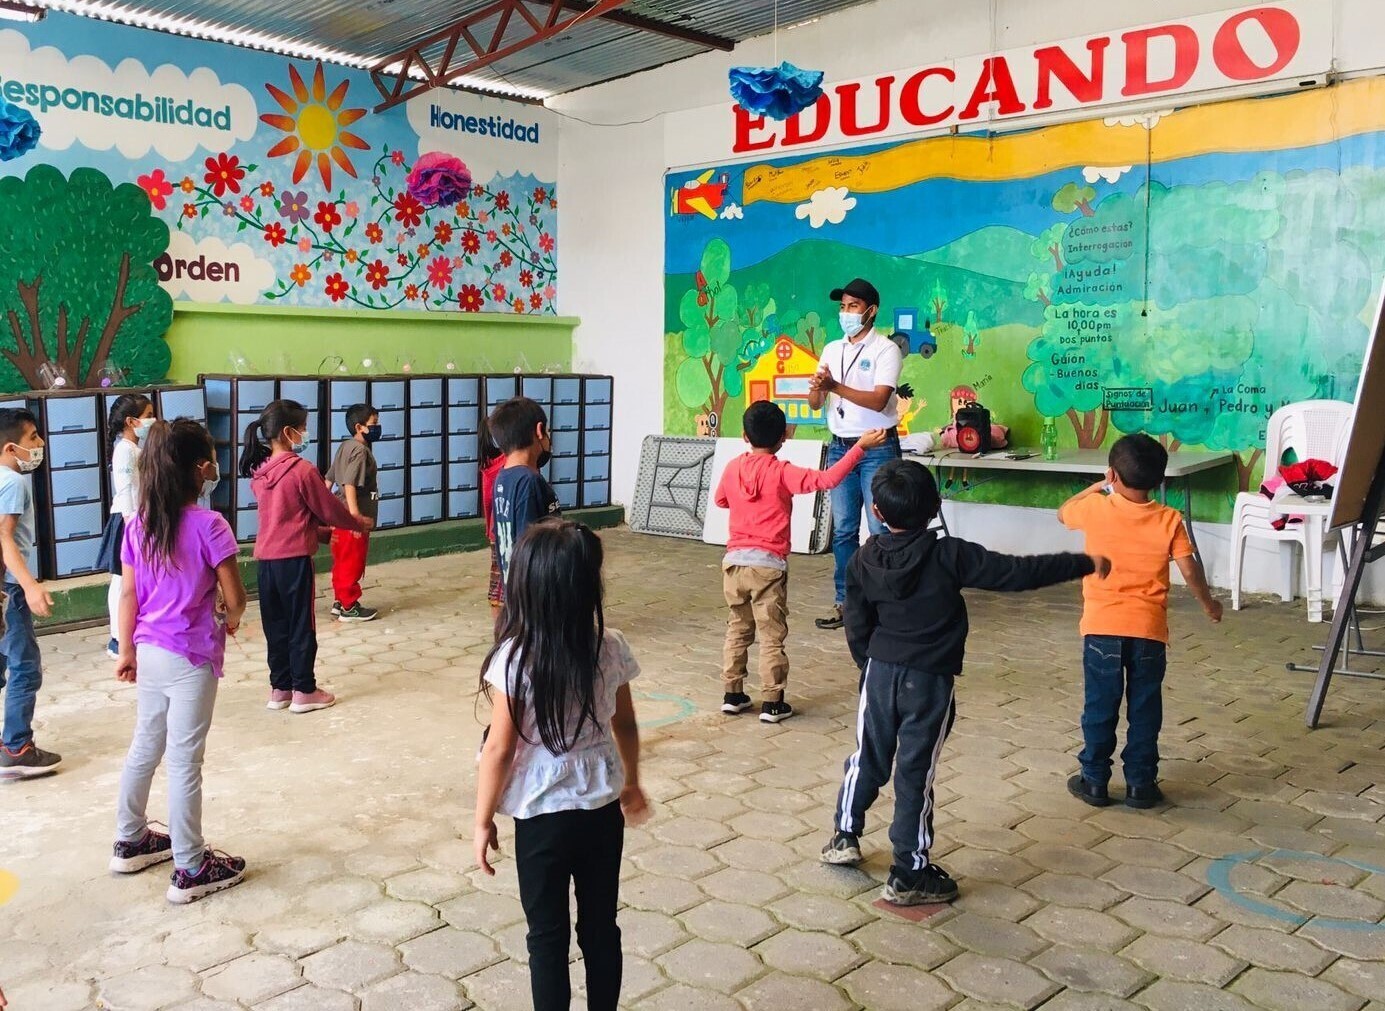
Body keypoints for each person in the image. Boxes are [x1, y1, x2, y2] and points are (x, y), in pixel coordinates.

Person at [821, 459, 1108, 905]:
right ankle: (909, 872)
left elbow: (856, 621)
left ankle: (844, 836)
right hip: (929, 681)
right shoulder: (950, 556)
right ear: (936, 506)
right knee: (915, 773)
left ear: (875, 510)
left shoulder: (863, 558)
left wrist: (869, 665)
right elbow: (1017, 573)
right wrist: (1082, 562)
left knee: (867, 755)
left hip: (878, 672)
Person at [474, 519, 647, 1011]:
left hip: (540, 820)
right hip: (600, 812)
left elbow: (499, 749)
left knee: (546, 939)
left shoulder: (515, 657)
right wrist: (632, 781)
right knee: (600, 928)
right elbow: (627, 725)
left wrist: (482, 820)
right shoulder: (609, 644)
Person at [111, 419, 249, 904]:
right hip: (192, 656)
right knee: (186, 761)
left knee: (146, 745)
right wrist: (228, 620)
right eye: (209, 457)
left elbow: (128, 592)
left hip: (148, 651)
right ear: (197, 468)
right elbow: (235, 599)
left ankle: (130, 839)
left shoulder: (138, 523)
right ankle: (190, 866)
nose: (214, 465)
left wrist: (126, 649)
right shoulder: (211, 525)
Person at [1059, 434, 1222, 809]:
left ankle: (1095, 781)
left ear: (1113, 474)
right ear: (1159, 481)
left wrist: (1100, 486)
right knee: (1145, 708)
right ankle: (1141, 785)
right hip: (1148, 631)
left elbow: (1064, 511)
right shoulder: (1169, 519)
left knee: (1100, 706)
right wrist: (1209, 605)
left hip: (1101, 629)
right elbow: (1189, 568)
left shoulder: (1095, 509)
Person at [714, 401, 887, 724]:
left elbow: (721, 500)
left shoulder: (732, 467)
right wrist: (860, 447)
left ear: (743, 436)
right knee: (771, 634)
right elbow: (829, 479)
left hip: (733, 564)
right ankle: (772, 702)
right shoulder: (782, 472)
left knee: (737, 628)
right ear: (784, 437)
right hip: (768, 566)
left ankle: (732, 694)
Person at [240, 400, 362, 714]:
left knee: (276, 626)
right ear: (288, 432)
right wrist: (355, 522)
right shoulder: (301, 470)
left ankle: (279, 687)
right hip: (294, 561)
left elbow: (285, 517)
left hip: (266, 561)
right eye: (304, 428)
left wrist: (319, 534)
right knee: (301, 626)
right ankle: (304, 689)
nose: (306, 434)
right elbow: (326, 508)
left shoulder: (261, 474)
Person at [807, 277, 904, 630]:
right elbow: (818, 401)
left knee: (881, 529)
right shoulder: (832, 349)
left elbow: (880, 401)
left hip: (878, 447)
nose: (845, 313)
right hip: (841, 446)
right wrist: (818, 391)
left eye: (852, 307)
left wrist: (834, 386)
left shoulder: (886, 350)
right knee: (844, 530)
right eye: (842, 307)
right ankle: (847, 603)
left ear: (871, 311)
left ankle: (885, 606)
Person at [0, 408, 58, 778]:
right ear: (10, 447)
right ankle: (17, 747)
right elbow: (4, 538)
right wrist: (29, 585)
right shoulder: (13, 483)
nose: (40, 444)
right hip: (10, 589)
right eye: (33, 437)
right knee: (25, 667)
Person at [99, 394, 155, 660]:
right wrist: (134, 523)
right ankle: (117, 637)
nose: (152, 420)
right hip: (126, 519)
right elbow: (125, 490)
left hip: (138, 518)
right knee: (121, 582)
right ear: (132, 421)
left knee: (132, 581)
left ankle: (130, 631)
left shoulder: (136, 448)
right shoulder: (124, 450)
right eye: (147, 415)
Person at [489, 397, 561, 600]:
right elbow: (531, 546)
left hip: (516, 593)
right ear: (539, 431)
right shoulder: (529, 482)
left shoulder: (502, 478)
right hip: (536, 596)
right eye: (546, 432)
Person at [326, 403, 380, 623]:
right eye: (373, 424)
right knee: (352, 560)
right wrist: (355, 516)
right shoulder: (359, 451)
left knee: (341, 560)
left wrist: (323, 510)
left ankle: (340, 601)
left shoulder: (345, 447)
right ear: (359, 427)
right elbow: (349, 483)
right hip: (351, 520)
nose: (377, 428)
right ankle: (349, 606)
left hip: (339, 517)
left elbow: (328, 480)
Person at [480, 420, 506, 613]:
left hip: (494, 531)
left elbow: (487, 502)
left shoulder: (487, 465)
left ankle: (500, 628)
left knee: (497, 579)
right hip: (506, 531)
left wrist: (489, 528)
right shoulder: (508, 464)